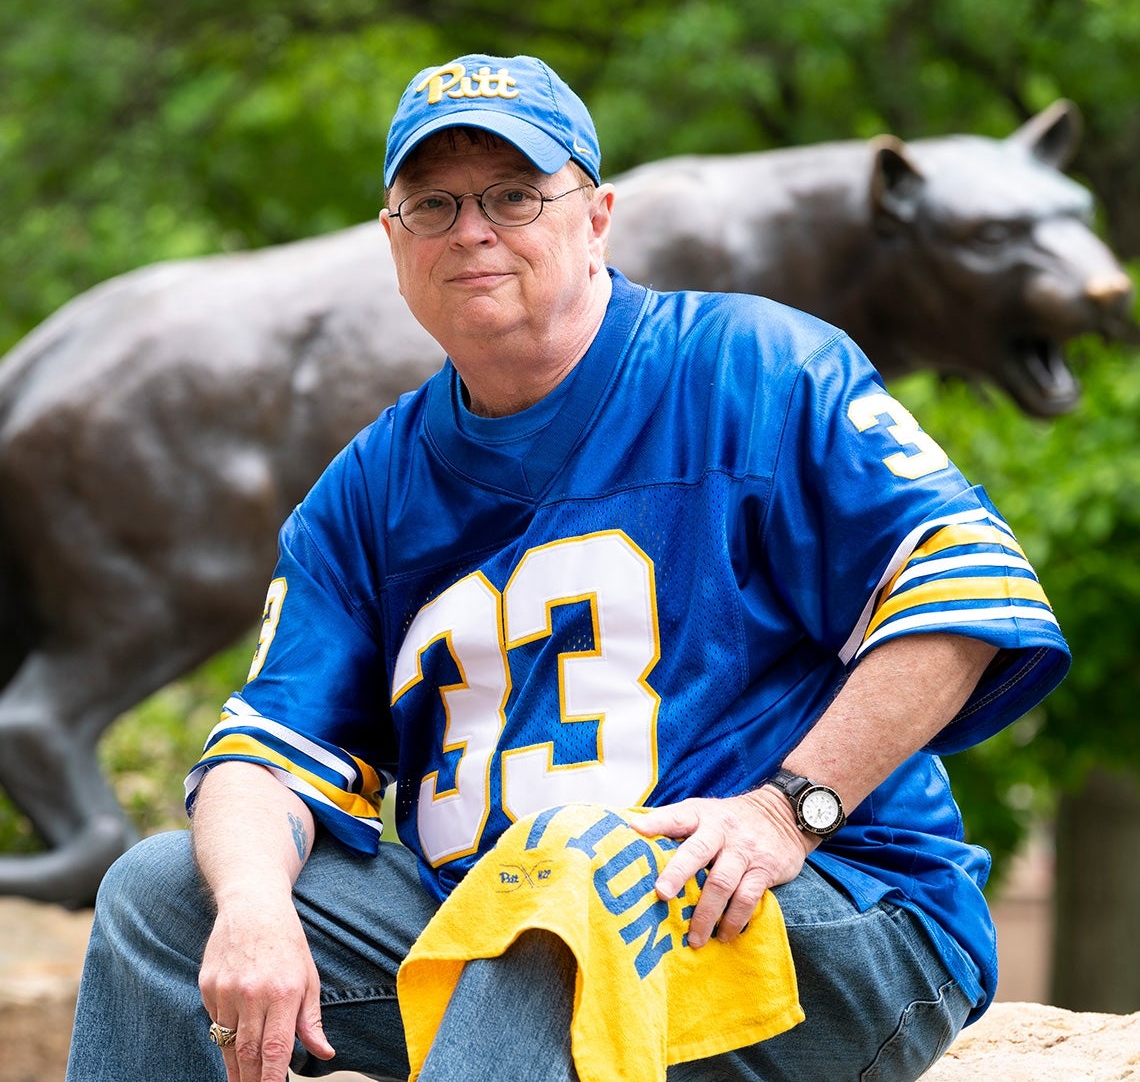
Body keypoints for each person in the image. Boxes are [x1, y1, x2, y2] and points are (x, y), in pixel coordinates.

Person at [66, 53, 1069, 1082]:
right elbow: (261, 759)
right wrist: (252, 908)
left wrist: (787, 808)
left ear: (596, 217)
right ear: (392, 241)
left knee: (565, 885)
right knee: (162, 896)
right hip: (502, 918)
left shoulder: (757, 368)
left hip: (822, 914)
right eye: (434, 204)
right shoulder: (367, 489)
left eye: (514, 194)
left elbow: (967, 588)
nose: (472, 230)